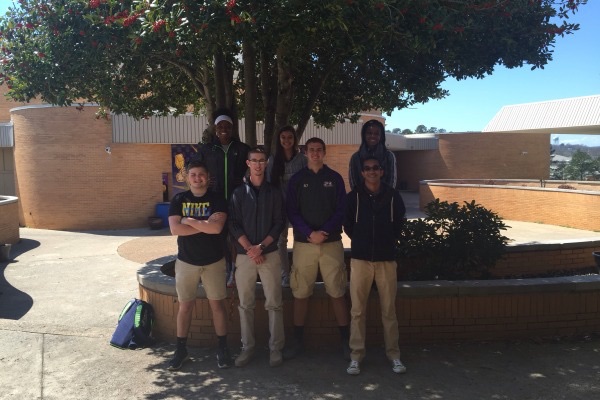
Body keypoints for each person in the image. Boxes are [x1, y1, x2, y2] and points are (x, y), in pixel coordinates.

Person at [284, 137, 350, 359]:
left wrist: (324, 232)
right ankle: (298, 342)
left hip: (331, 243)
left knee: (338, 292)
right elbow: (292, 211)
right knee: (301, 293)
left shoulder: (335, 178)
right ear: (305, 152)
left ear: (324, 152)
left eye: (319, 150)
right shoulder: (297, 180)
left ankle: (345, 342)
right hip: (304, 244)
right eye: (311, 150)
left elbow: (342, 210)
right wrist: (309, 233)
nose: (315, 153)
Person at [343, 156, 407, 375]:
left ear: (382, 171)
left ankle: (394, 355)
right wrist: (361, 241)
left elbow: (399, 222)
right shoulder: (354, 197)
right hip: (360, 260)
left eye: (375, 168)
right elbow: (348, 225)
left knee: (389, 310)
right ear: (362, 173)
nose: (371, 171)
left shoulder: (392, 196)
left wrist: (388, 240)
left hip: (386, 260)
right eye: (367, 168)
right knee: (357, 311)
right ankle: (356, 356)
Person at [167, 159, 232, 370]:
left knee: (218, 306)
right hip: (186, 262)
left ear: (207, 177)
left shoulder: (217, 199)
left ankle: (222, 349)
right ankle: (181, 350)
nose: (197, 178)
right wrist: (205, 225)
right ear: (188, 177)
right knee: (185, 307)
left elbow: (217, 229)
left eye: (201, 174)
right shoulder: (179, 199)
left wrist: (190, 221)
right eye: (193, 175)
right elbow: (175, 230)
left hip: (214, 261)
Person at [228, 147, 286, 367]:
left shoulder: (274, 192)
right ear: (248, 163)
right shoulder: (238, 193)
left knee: (274, 304)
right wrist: (250, 249)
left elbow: (279, 222)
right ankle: (247, 348)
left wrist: (261, 247)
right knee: (246, 305)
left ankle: (275, 348)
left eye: (262, 160)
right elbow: (233, 224)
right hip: (244, 256)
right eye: (254, 160)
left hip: (269, 254)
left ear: (266, 163)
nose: (258, 164)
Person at [196, 108, 250, 287]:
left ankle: (233, 272)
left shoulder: (242, 149)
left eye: (227, 126)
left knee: (235, 237)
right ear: (215, 129)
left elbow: (252, 170)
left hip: (237, 201)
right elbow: (194, 168)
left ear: (232, 128)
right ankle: (215, 272)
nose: (224, 129)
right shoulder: (207, 150)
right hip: (215, 200)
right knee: (215, 236)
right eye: (220, 126)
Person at [266, 126, 307, 288]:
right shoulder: (273, 159)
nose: (286, 140)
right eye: (283, 137)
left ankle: (299, 272)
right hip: (280, 207)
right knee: (280, 241)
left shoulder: (302, 160)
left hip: (299, 207)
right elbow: (269, 185)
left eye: (290, 137)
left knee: (300, 239)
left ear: (295, 140)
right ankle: (286, 274)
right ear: (279, 139)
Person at [348, 119, 397, 190]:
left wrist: (384, 198)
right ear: (364, 135)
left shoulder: (389, 156)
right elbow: (353, 182)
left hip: (385, 199)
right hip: (362, 199)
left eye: (376, 133)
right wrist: (361, 198)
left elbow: (392, 181)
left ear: (381, 136)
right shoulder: (356, 157)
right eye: (369, 133)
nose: (373, 136)